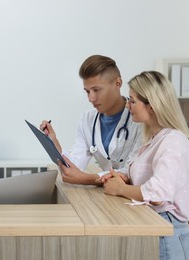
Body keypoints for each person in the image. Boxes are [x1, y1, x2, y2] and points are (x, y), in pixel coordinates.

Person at [102, 71, 189, 259]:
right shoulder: (153, 138)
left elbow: (158, 194)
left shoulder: (174, 141)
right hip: (156, 229)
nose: (127, 105)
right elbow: (146, 173)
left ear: (152, 106)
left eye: (132, 100)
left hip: (170, 237)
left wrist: (120, 189)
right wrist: (124, 176)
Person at [40, 55, 142, 185]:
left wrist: (88, 179)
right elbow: (76, 166)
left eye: (96, 90)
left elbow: (133, 172)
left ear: (118, 83)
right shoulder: (87, 119)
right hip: (110, 196)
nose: (91, 98)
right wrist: (54, 141)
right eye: (87, 91)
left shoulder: (139, 119)